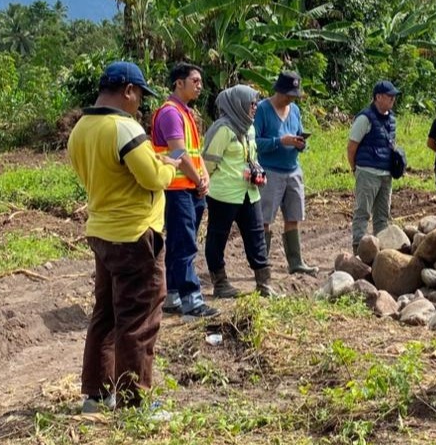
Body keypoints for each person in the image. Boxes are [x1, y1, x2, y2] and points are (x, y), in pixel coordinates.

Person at [67, 61, 180, 412]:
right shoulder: (124, 128)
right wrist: (169, 166)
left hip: (102, 231)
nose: (140, 104)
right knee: (139, 317)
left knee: (106, 314)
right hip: (135, 235)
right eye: (140, 96)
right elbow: (152, 177)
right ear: (128, 91)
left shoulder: (80, 129)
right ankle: (135, 402)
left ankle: (97, 394)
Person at [151, 63, 221, 317]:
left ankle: (172, 296)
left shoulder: (186, 112)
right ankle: (192, 301)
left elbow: (194, 152)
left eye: (200, 81)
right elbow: (178, 153)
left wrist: (204, 177)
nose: (200, 86)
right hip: (177, 189)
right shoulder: (171, 113)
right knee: (184, 244)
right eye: (195, 81)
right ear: (179, 83)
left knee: (179, 243)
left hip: (189, 188)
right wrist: (198, 179)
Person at [203, 85, 280, 297]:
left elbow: (252, 157)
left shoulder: (250, 128)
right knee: (218, 237)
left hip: (249, 192)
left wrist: (257, 172)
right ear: (238, 104)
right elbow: (207, 163)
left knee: (256, 236)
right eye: (251, 104)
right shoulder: (222, 129)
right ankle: (220, 284)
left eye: (255, 104)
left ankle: (264, 284)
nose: (255, 107)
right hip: (224, 195)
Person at [254, 71, 318, 275]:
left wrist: (300, 144)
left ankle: (296, 262)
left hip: (293, 169)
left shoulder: (295, 110)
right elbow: (254, 142)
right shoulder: (262, 109)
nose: (292, 99)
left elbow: (299, 134)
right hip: (270, 171)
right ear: (279, 91)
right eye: (289, 95)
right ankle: (262, 264)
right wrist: (279, 141)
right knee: (265, 219)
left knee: (293, 216)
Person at [347, 80, 400, 254]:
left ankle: (380, 251)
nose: (393, 99)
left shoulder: (392, 119)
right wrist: (355, 169)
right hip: (367, 171)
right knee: (363, 212)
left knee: (382, 216)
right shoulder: (365, 118)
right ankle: (358, 249)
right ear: (378, 97)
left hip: (386, 173)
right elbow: (352, 147)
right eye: (389, 96)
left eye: (393, 96)